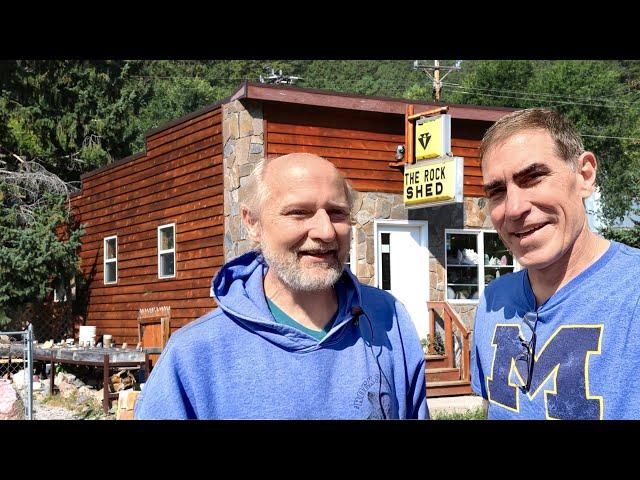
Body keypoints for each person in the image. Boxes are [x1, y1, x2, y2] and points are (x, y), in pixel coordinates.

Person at [135, 152, 428, 419]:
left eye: (337, 212)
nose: (325, 231)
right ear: (252, 223)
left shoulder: (389, 320)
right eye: (299, 212)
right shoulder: (194, 356)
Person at [471, 108, 640, 420]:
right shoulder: (493, 302)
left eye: (533, 177)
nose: (514, 208)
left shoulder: (633, 295)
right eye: (497, 191)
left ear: (584, 176)